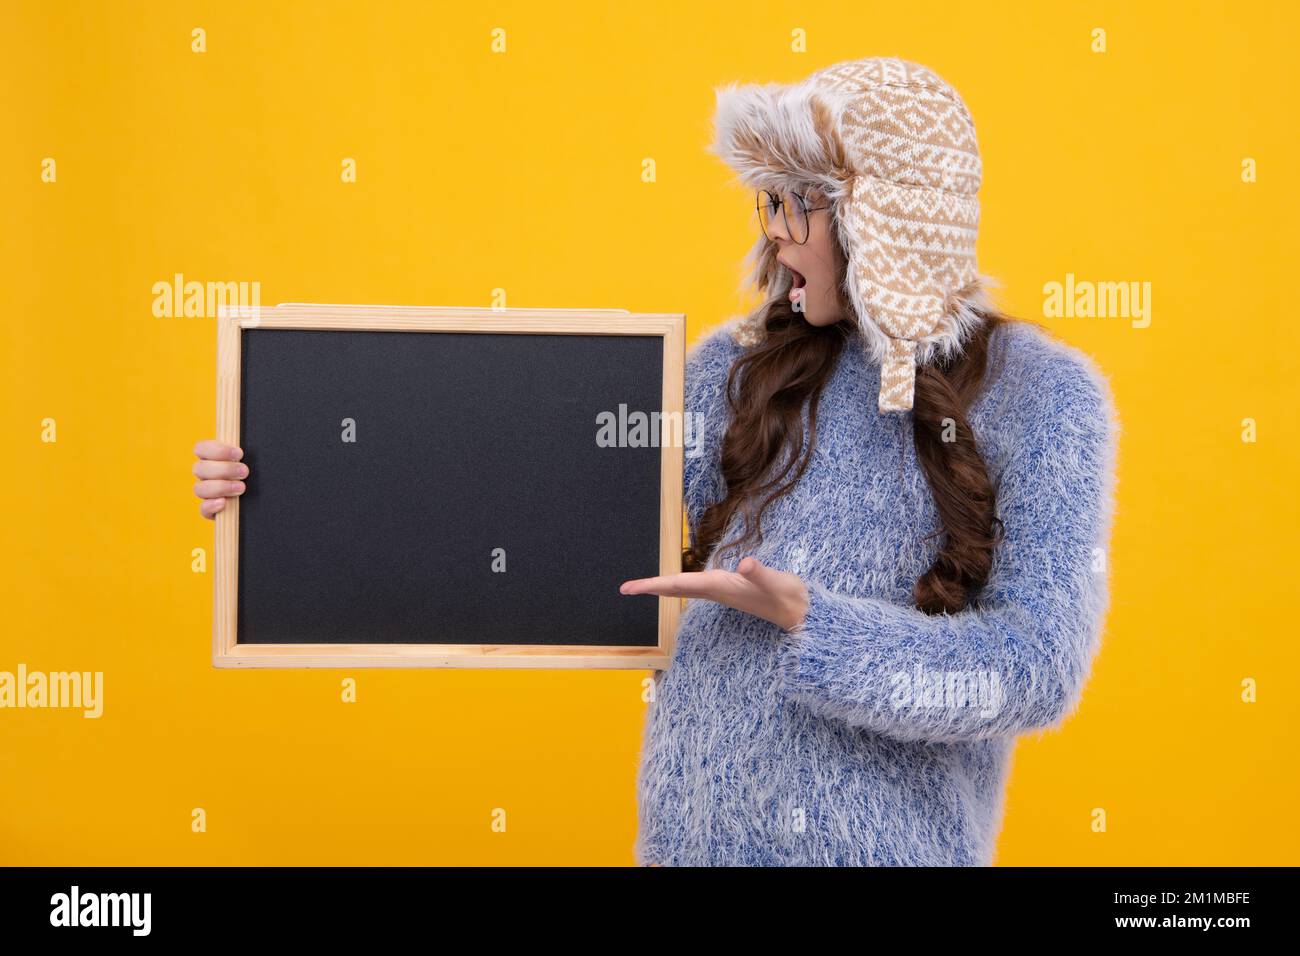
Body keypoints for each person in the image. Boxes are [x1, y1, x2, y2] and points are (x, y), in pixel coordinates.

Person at [193, 56, 1119, 867]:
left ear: (889, 220)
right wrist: (289, 478)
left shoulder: (1047, 398)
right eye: (772, 201)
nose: (776, 233)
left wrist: (812, 622)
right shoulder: (735, 366)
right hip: (687, 845)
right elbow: (540, 507)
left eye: (803, 203)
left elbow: (1035, 667)